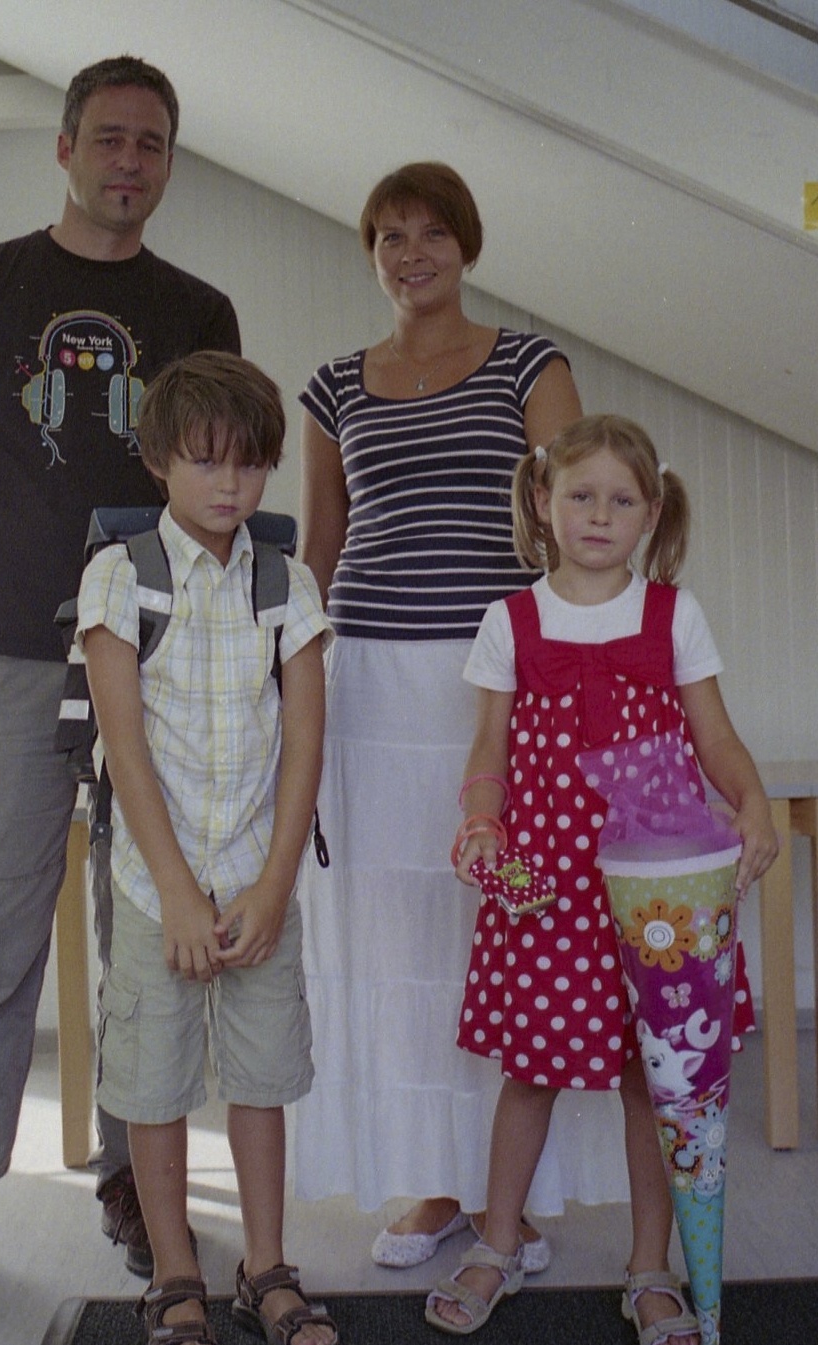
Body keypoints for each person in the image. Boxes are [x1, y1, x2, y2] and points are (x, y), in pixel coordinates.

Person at [0, 55, 240, 1317]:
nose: (129, 161)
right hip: (16, 665)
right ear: (67, 147)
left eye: (152, 144)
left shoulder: (198, 308)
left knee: (148, 943)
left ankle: (138, 1183)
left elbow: (219, 496)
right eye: (110, 138)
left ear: (167, 162)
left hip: (164, 668)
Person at [294, 160, 623, 1269]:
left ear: (465, 245)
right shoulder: (332, 386)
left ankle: (507, 1198)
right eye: (389, 236)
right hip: (367, 686)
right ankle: (435, 1183)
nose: (411, 254)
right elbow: (321, 547)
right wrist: (292, 678)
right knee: (400, 935)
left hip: (497, 685)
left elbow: (574, 527)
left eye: (431, 233)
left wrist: (575, 680)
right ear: (370, 255)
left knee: (501, 927)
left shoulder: (531, 364)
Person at [425, 414, 778, 1345]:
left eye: (621, 500)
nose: (597, 514)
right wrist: (481, 819)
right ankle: (498, 1242)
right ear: (542, 500)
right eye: (579, 495)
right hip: (544, 887)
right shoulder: (510, 619)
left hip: (659, 891)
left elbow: (715, 736)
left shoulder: (673, 614)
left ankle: (649, 1267)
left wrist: (751, 804)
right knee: (530, 1070)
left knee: (653, 1079)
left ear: (650, 514)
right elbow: (487, 748)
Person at [78, 350, 339, 1345]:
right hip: (159, 890)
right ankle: (176, 1273)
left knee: (260, 1081)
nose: (228, 485)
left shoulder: (286, 582)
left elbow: (305, 743)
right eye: (203, 461)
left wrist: (273, 888)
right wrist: (180, 897)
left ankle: (265, 1266)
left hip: (257, 881)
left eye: (248, 464)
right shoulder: (120, 576)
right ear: (158, 462)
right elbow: (124, 749)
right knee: (153, 1087)